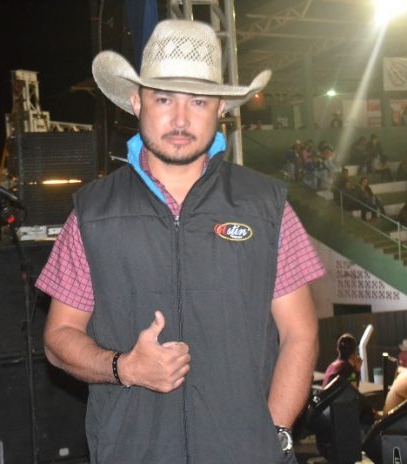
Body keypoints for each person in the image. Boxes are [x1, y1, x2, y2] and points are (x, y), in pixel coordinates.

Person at [37, 19, 323, 464]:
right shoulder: (93, 213)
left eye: (199, 101)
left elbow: (300, 333)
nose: (181, 119)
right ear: (137, 102)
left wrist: (274, 436)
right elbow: (58, 338)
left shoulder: (266, 206)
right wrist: (125, 368)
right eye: (164, 98)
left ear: (221, 109)